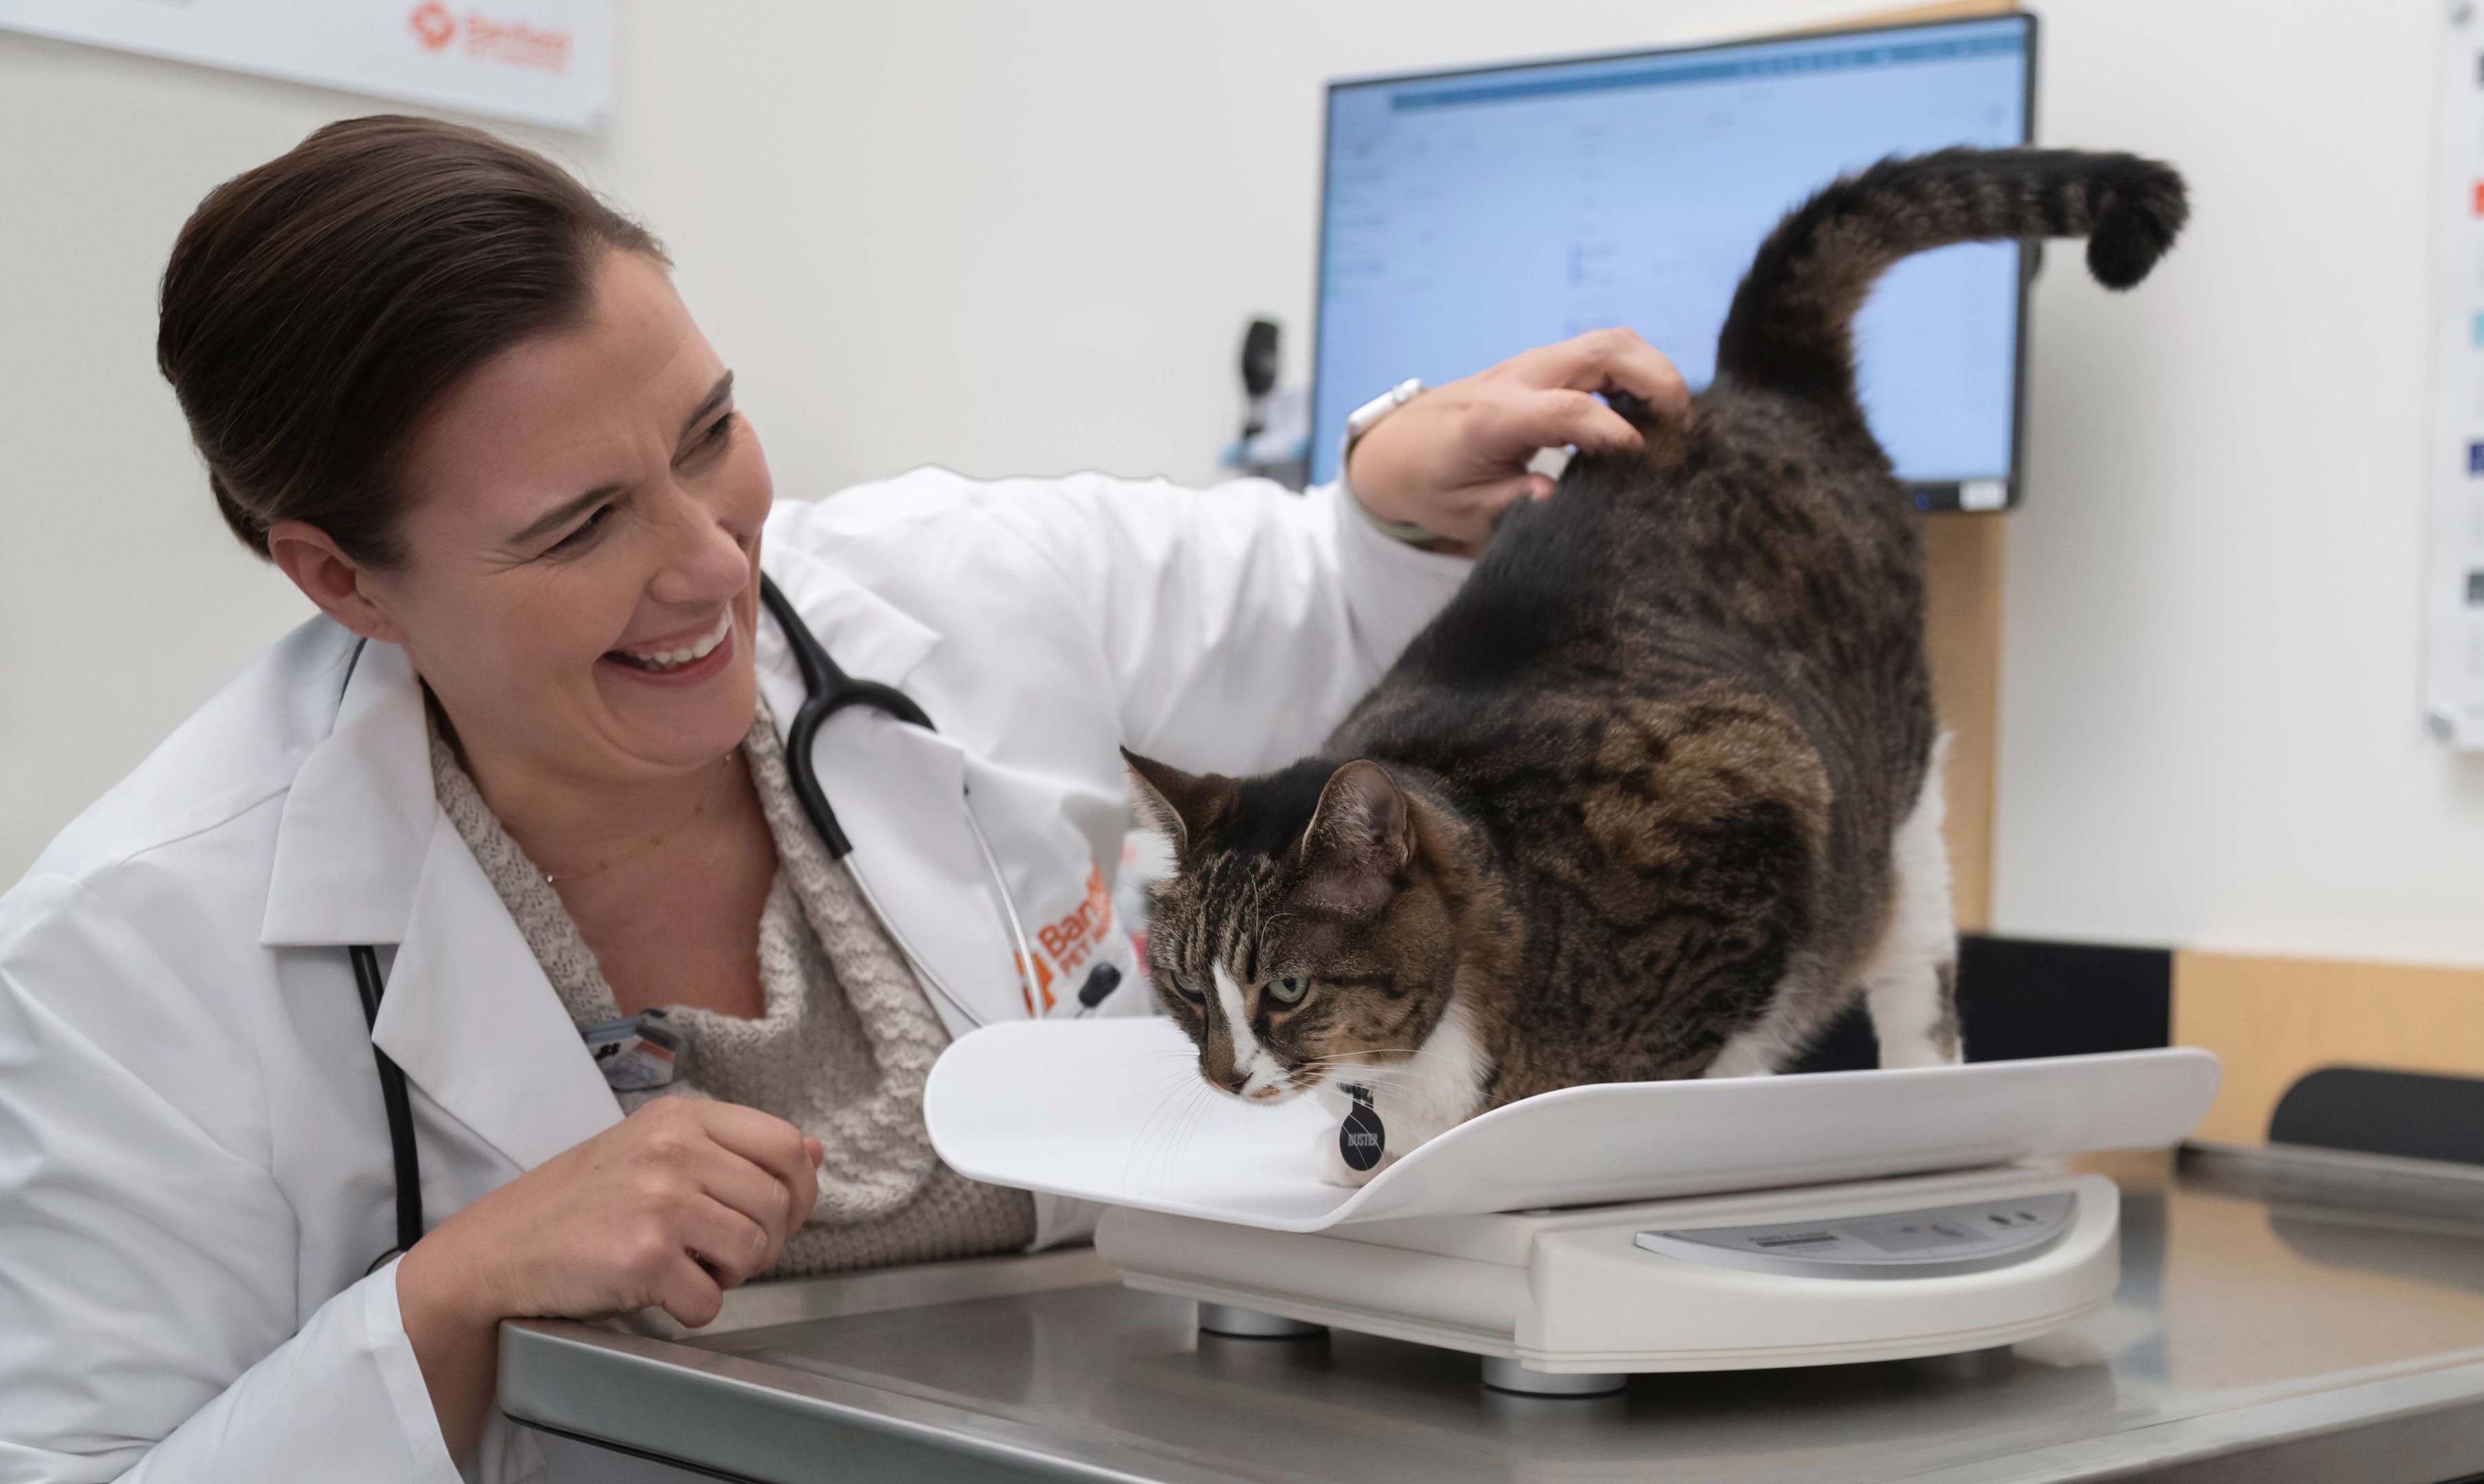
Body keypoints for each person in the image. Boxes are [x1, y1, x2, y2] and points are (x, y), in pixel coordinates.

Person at [0, 114, 1687, 1482]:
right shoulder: (139, 950)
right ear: (343, 579)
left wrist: (1395, 493)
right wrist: (449, 1298)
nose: (712, 565)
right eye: (580, 526)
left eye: (709, 433)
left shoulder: (942, 593)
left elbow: (1320, 584)